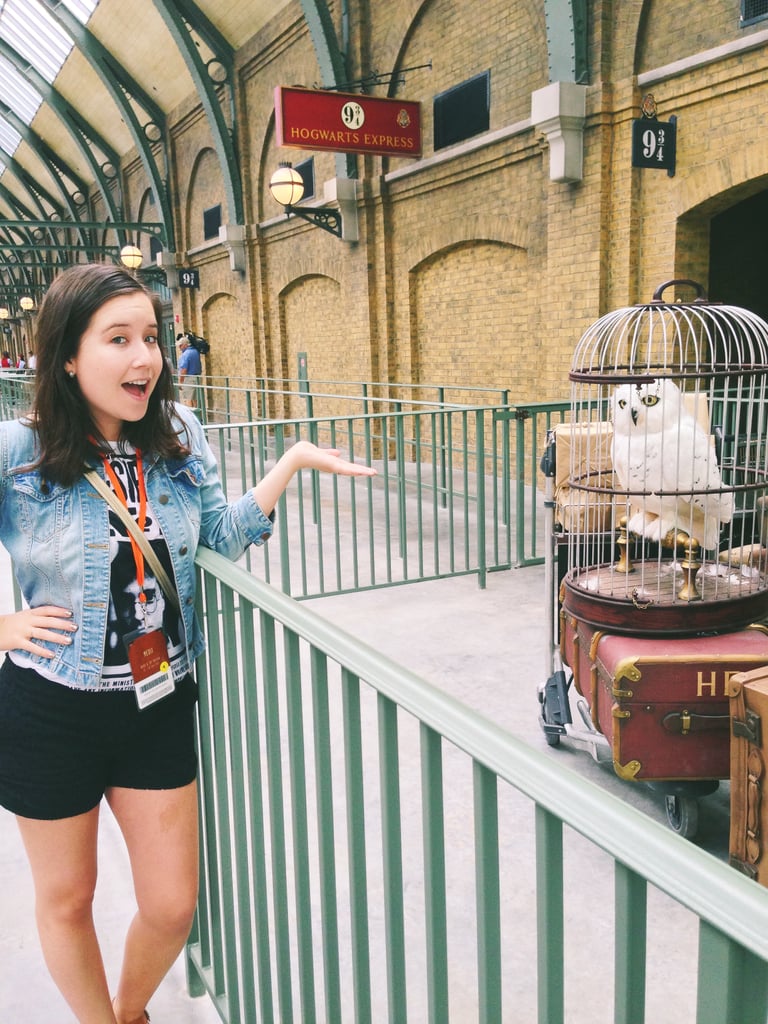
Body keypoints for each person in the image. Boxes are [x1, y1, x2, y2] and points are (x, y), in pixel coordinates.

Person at [0, 262, 376, 1024]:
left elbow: (219, 538)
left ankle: (129, 1009)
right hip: (50, 705)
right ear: (68, 355)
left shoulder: (180, 437)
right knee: (67, 899)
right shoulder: (19, 449)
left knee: (172, 906)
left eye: (151, 338)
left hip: (159, 700)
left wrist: (291, 463)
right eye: (118, 339)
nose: (145, 358)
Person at [176, 333, 201, 408]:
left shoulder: (186, 354)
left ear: (186, 345)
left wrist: (180, 382)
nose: (179, 348)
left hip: (188, 378)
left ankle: (190, 417)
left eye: (181, 345)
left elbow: (184, 369)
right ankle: (197, 417)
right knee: (195, 399)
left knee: (188, 399)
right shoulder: (195, 351)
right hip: (197, 377)